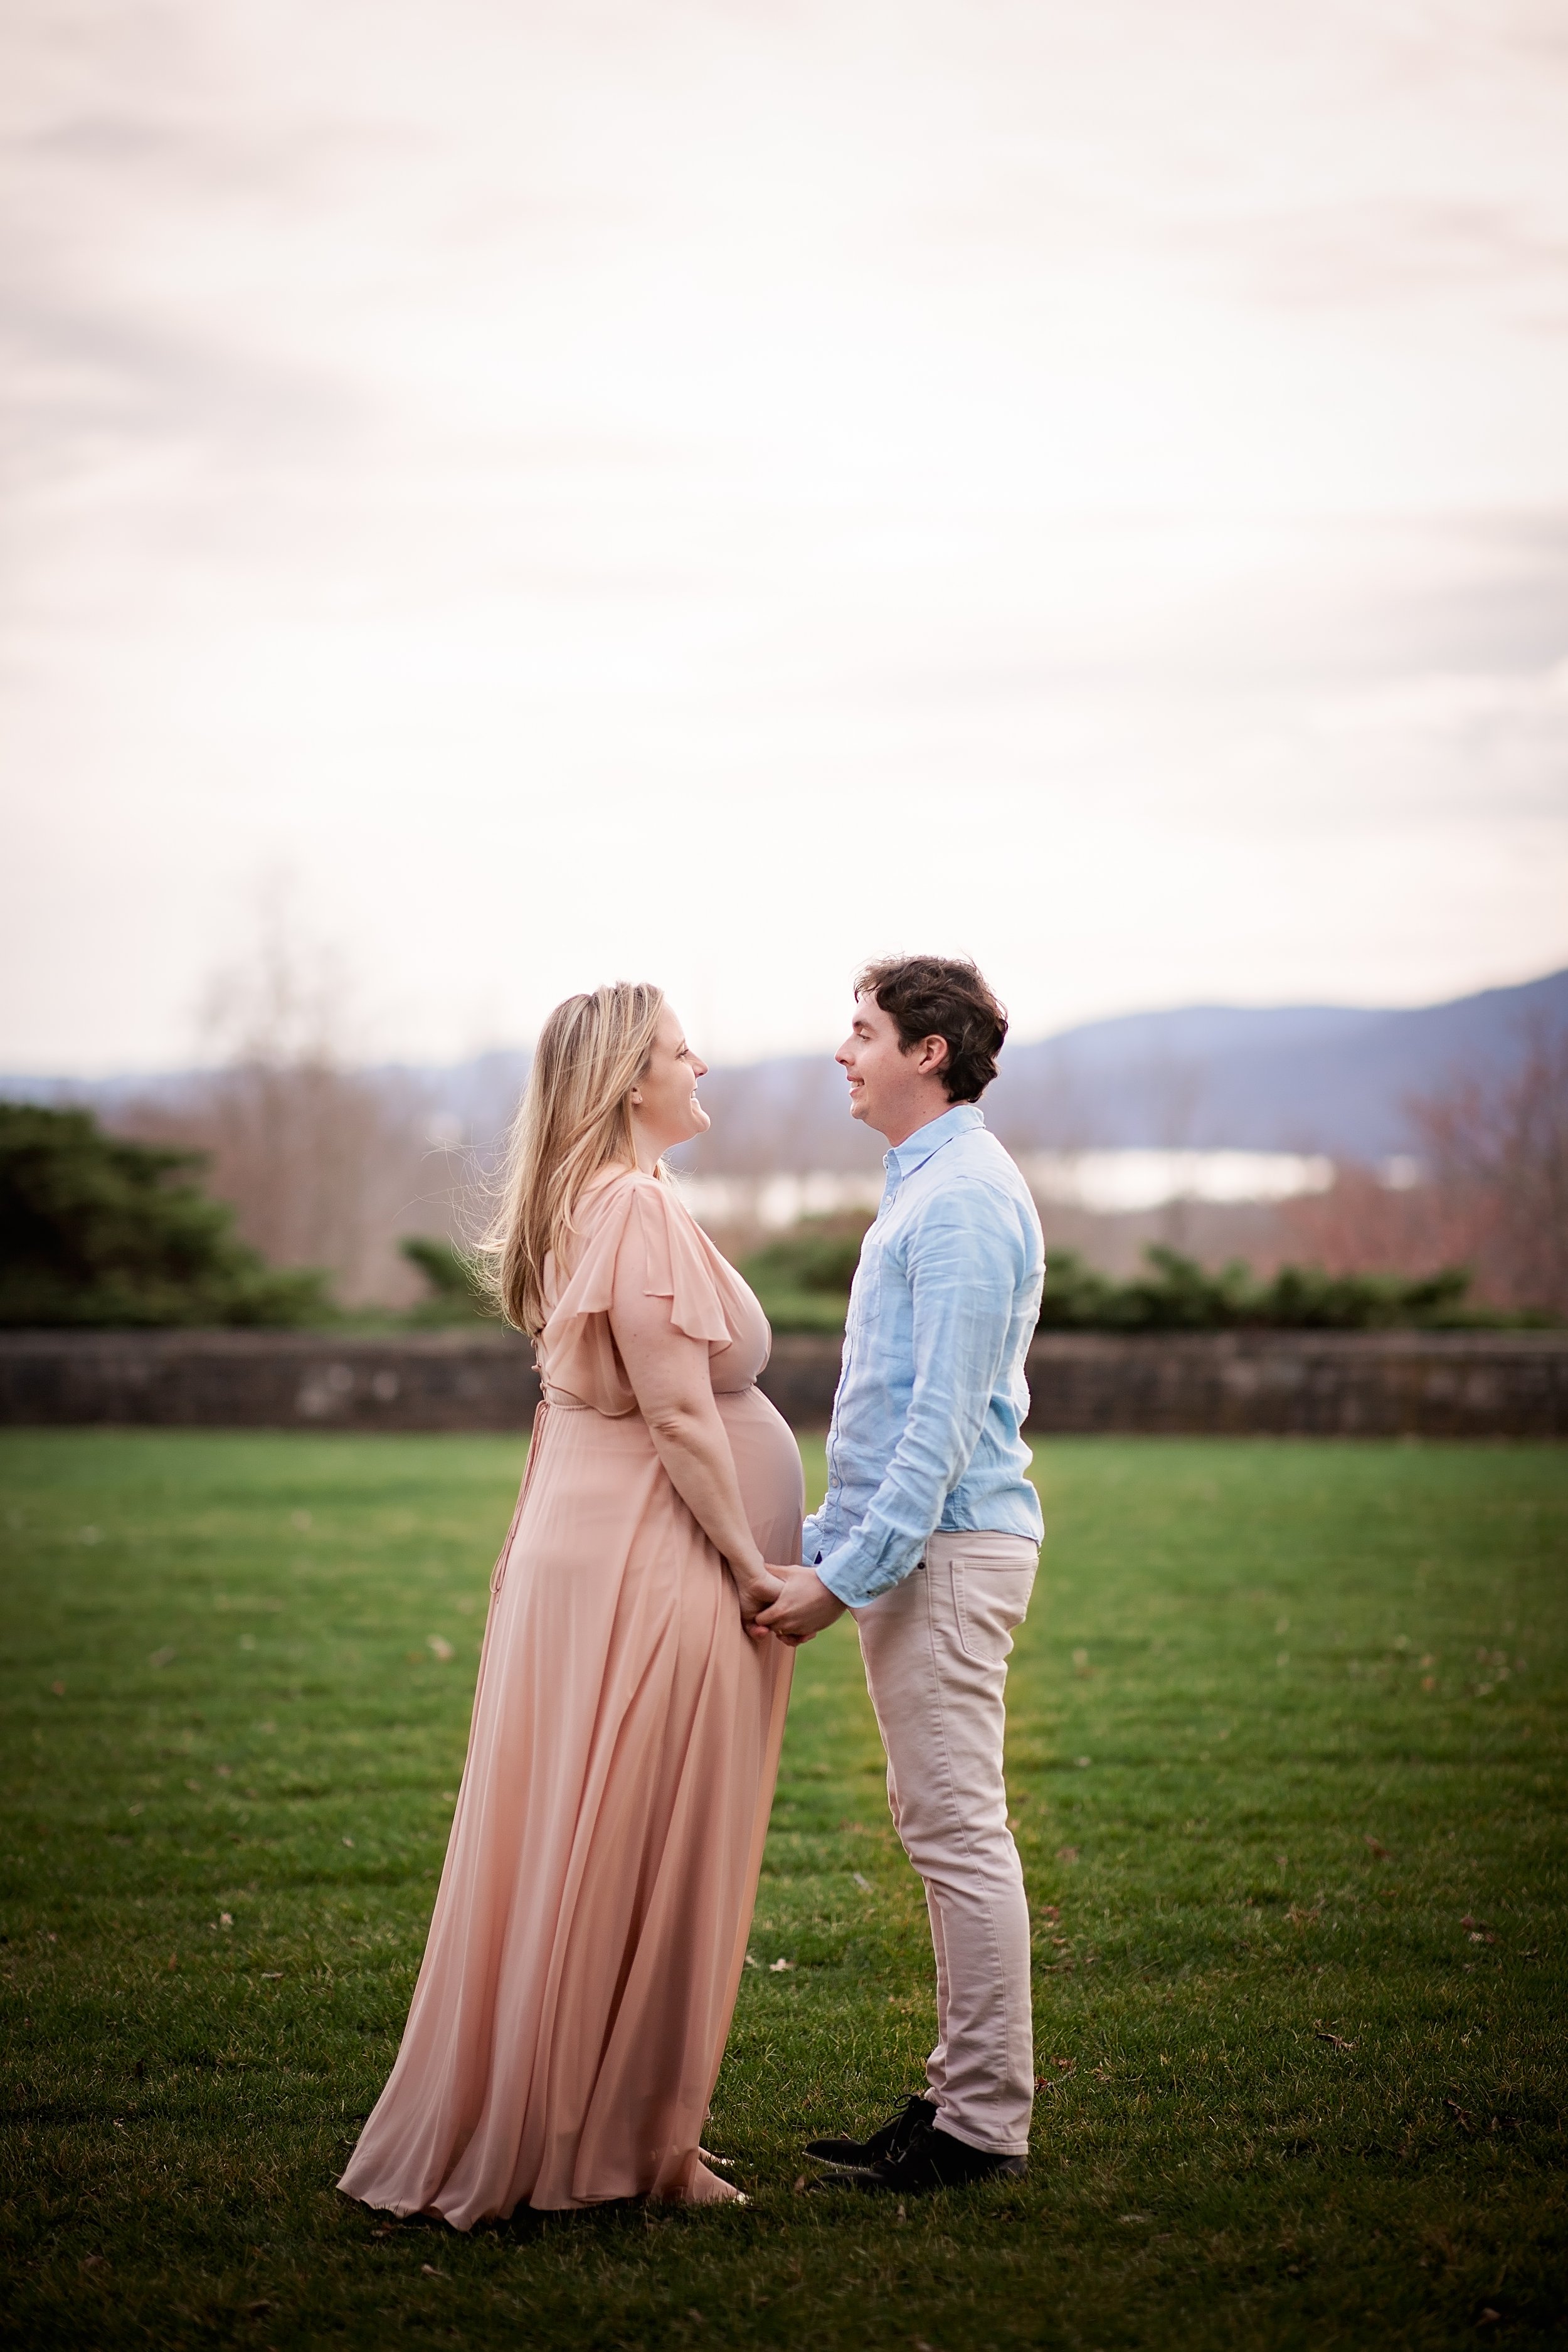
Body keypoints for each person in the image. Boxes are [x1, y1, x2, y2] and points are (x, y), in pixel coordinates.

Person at [339, 984, 801, 2222]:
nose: (698, 1060)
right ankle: (618, 2148)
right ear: (624, 1084)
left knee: (588, 1837)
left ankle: (613, 2129)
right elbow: (675, 1412)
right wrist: (755, 1569)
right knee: (645, 1845)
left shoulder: (581, 1203)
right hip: (650, 1563)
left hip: (596, 1553)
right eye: (674, 1049)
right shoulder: (633, 1209)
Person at [756, 955, 1045, 2193]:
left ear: (929, 1051)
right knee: (940, 1826)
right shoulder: (926, 1188)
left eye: (862, 1030)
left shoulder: (966, 1196)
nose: (844, 1051)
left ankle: (979, 2124)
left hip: (946, 1551)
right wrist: (817, 1543)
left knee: (956, 1831)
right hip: (913, 1547)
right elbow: (882, 1420)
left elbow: (935, 1426)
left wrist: (843, 1579)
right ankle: (958, 2100)